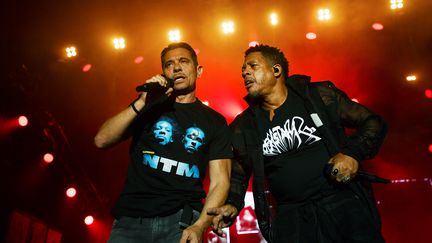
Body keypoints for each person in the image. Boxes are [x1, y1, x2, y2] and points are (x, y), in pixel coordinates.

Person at [208, 44, 387, 243]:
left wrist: (352, 153)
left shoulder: (316, 96)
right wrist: (233, 203)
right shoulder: (245, 124)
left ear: (276, 70)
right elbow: (240, 172)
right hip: (291, 218)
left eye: (253, 66)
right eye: (243, 70)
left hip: (340, 203)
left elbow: (373, 122)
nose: (245, 73)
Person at [94, 42, 232, 243]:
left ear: (198, 70)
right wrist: (142, 102)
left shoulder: (215, 121)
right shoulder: (148, 108)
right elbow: (101, 140)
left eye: (183, 61)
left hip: (181, 223)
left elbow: (221, 181)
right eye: (169, 64)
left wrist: (200, 226)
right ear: (164, 73)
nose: (176, 67)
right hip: (132, 222)